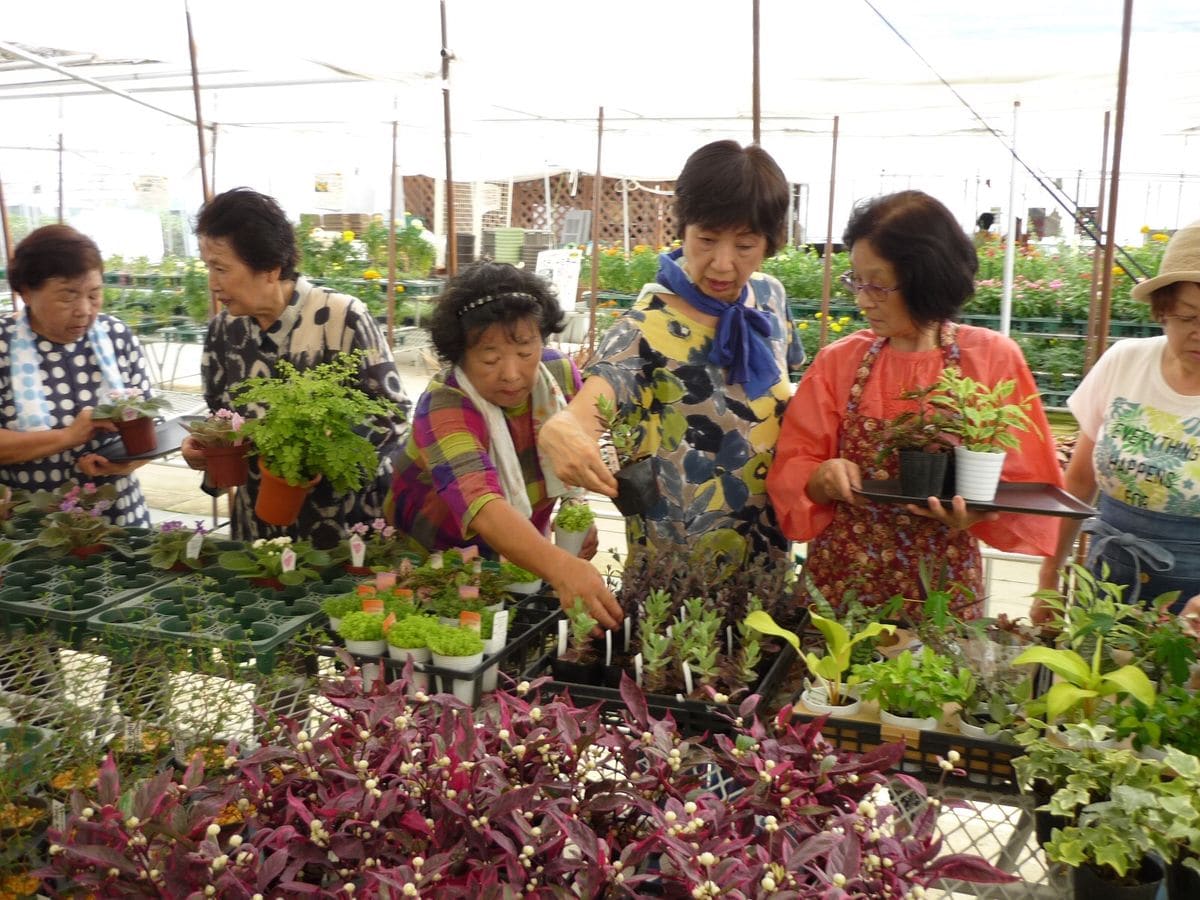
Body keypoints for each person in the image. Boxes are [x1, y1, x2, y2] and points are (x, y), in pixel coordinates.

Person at [766, 190, 1062, 617]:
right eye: (857, 281)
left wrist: (977, 512)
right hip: (840, 587)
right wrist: (822, 477)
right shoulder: (839, 362)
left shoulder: (992, 358)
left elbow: (1029, 484)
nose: (864, 298)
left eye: (879, 284)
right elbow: (792, 468)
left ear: (927, 277)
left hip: (942, 592)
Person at [538, 140, 801, 566]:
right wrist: (560, 430)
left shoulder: (771, 298)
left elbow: (789, 391)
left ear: (770, 243)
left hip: (768, 551)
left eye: (745, 246)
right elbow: (591, 405)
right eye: (707, 239)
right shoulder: (642, 330)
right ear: (682, 228)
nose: (721, 263)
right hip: (678, 573)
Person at [387, 262, 622, 630]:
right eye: (490, 358)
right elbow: (480, 502)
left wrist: (576, 508)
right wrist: (559, 566)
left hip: (518, 551)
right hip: (435, 557)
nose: (512, 373)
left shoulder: (558, 375)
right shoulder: (445, 404)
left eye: (526, 352)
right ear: (460, 354)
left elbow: (571, 454)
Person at [181, 188, 410, 548]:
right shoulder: (224, 331)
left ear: (270, 268)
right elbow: (222, 417)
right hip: (258, 535)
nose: (212, 283)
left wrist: (324, 456)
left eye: (221, 268)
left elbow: (392, 417)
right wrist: (207, 451)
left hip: (343, 533)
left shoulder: (342, 318)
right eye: (209, 267)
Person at [1036, 219, 1200, 618]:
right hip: (1105, 581)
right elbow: (1079, 481)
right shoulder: (1125, 361)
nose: (1199, 333)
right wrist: (1049, 573)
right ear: (1163, 310)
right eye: (1188, 317)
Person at [0, 225, 153, 525]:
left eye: (94, 294)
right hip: (29, 529)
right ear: (27, 292)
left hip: (120, 519)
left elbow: (150, 426)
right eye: (67, 296)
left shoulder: (116, 336)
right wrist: (69, 437)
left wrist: (129, 461)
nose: (84, 310)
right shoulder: (3, 346)